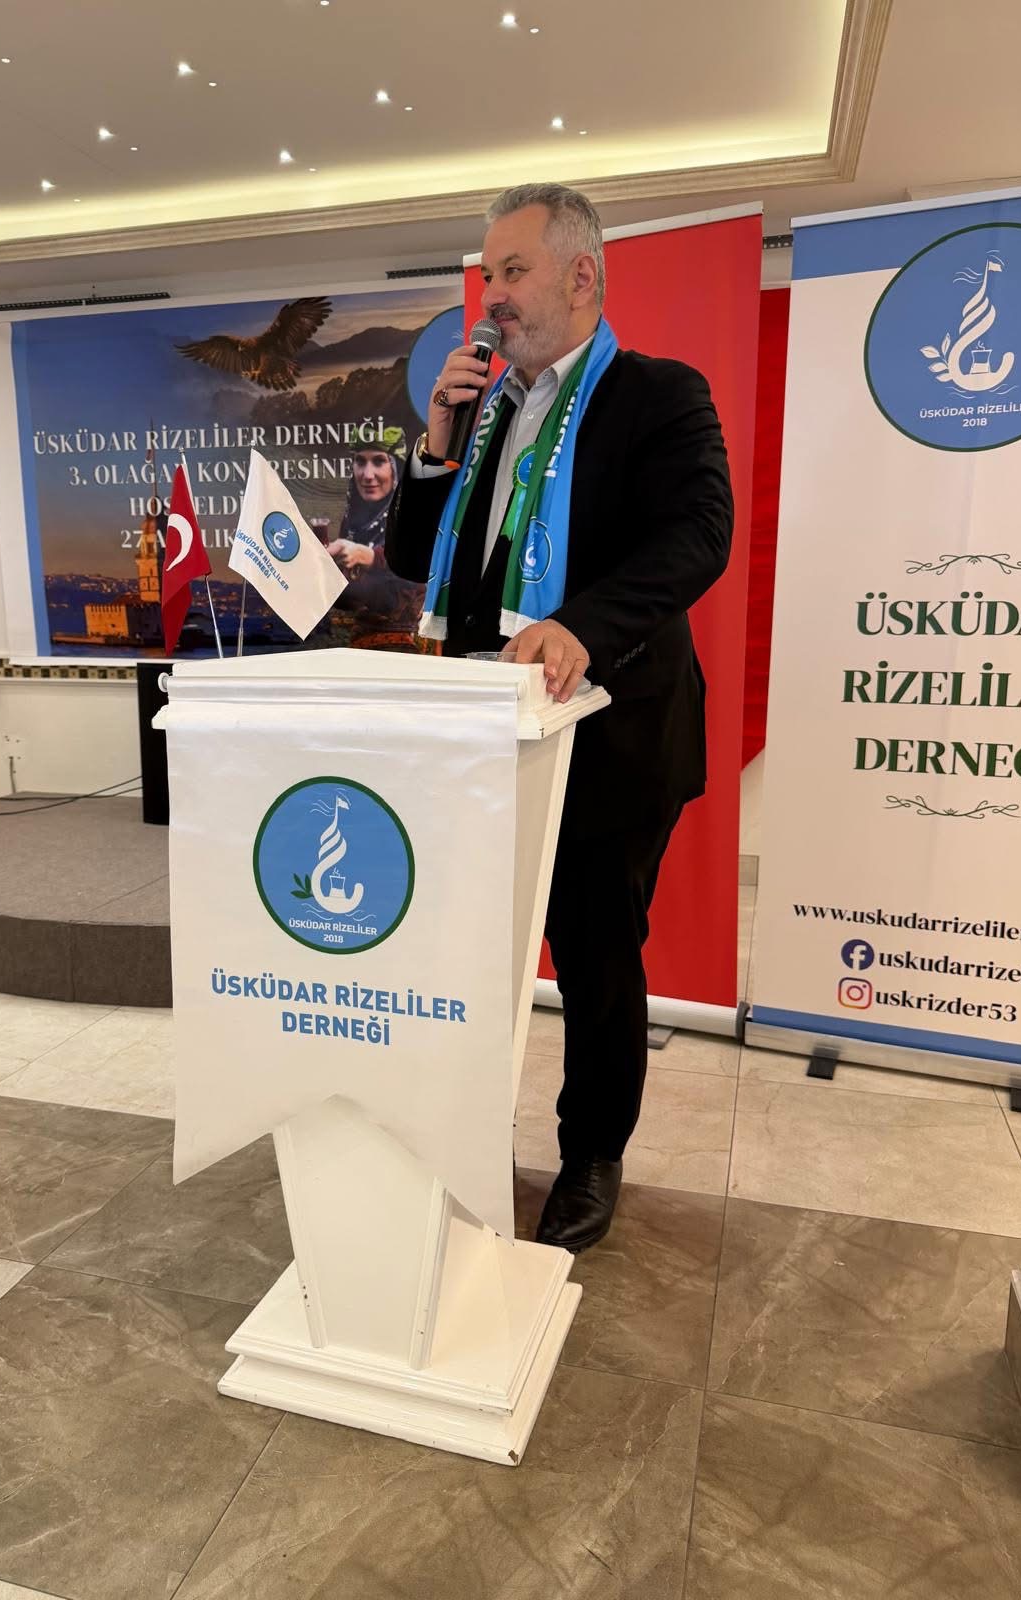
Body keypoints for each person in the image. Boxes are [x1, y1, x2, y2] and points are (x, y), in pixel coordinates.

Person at [384, 183, 734, 1252]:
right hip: (480, 738)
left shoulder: (658, 394)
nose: (489, 297)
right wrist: (436, 442)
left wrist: (583, 623)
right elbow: (413, 557)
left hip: (607, 738)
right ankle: (459, 1125)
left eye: (512, 271)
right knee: (467, 949)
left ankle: (591, 1154)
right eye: (485, 275)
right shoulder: (484, 412)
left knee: (595, 959)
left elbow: (698, 534)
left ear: (583, 276)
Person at [325, 426, 425, 648]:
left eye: (379, 461)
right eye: (360, 462)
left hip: (409, 646)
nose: (367, 475)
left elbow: (415, 581)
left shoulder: (416, 512)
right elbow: (354, 599)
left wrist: (369, 557)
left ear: (395, 468)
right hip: (364, 642)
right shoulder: (354, 517)